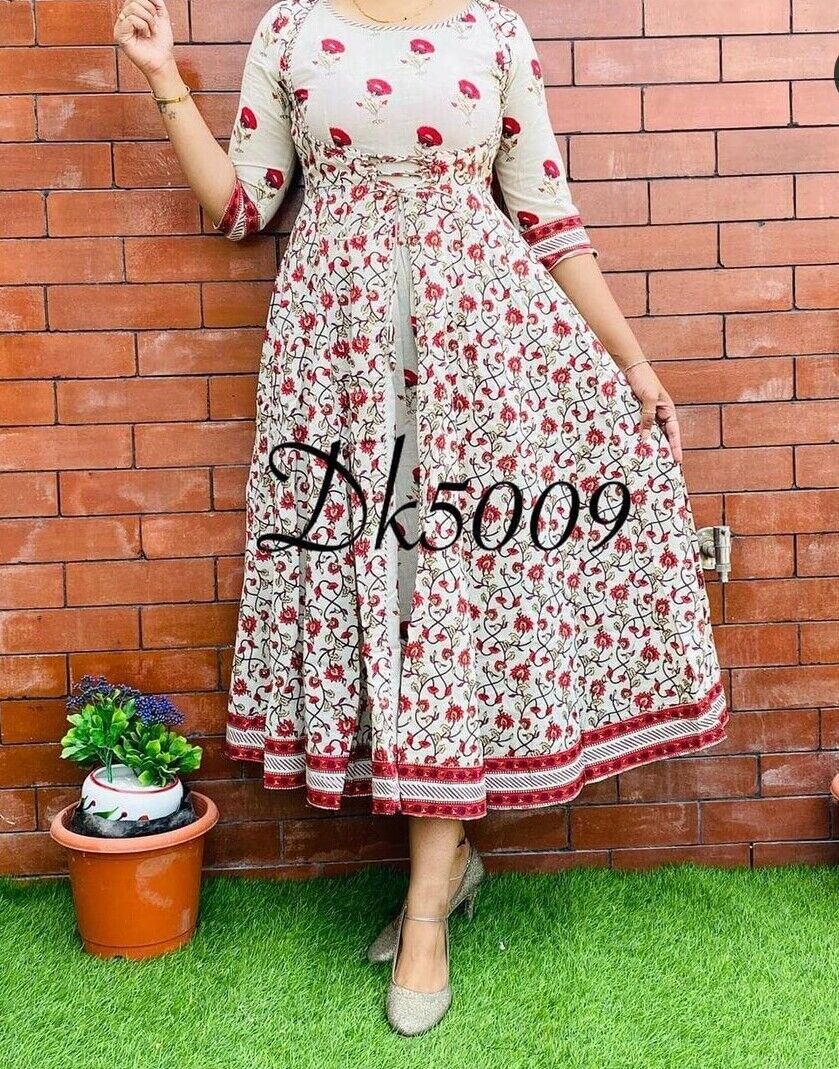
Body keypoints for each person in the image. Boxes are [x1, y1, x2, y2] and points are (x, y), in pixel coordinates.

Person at [114, 0, 728, 1036]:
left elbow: (546, 215)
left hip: (476, 359)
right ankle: (449, 868)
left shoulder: (493, 31)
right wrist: (162, 76)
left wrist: (632, 364)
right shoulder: (290, 30)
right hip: (336, 363)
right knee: (381, 600)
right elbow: (243, 207)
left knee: (445, 603)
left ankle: (427, 911)